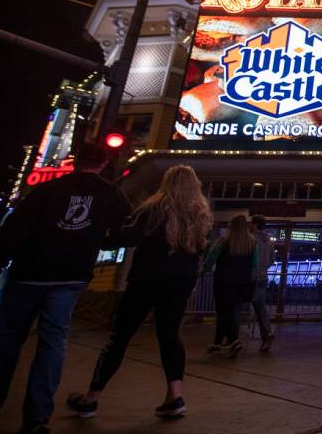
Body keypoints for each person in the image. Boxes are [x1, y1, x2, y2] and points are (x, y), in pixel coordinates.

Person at [0, 144, 131, 434]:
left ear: (75, 162)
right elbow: (124, 229)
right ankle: (37, 417)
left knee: (8, 345)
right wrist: (94, 241)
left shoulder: (47, 190)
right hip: (71, 276)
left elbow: (13, 230)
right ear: (104, 162)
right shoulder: (112, 194)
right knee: (52, 344)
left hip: (29, 274)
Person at [66, 165, 213, 421]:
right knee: (170, 336)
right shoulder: (200, 214)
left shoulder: (152, 209)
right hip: (181, 281)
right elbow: (201, 248)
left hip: (146, 279)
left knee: (120, 336)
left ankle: (91, 399)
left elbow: (125, 237)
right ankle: (175, 396)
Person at [203, 215, 257, 358]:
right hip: (243, 281)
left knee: (223, 311)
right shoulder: (252, 243)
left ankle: (234, 341)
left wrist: (205, 270)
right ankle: (217, 343)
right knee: (233, 310)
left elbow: (211, 259)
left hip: (224, 280)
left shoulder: (224, 240)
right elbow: (255, 263)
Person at [250, 215, 276, 352]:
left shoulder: (251, 239)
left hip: (251, 277)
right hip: (263, 277)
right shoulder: (270, 241)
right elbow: (272, 260)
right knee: (260, 306)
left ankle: (229, 339)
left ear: (254, 224)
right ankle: (267, 335)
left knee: (234, 306)